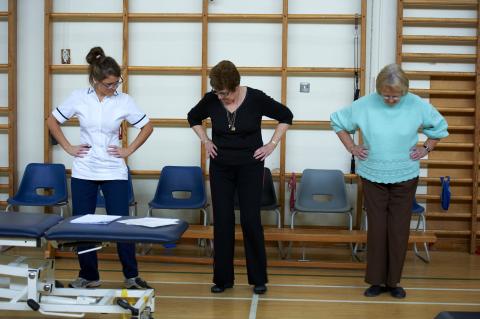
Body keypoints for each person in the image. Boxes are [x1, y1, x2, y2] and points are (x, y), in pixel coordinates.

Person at [330, 63, 448, 299]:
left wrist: (425, 148)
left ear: (404, 91)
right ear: (378, 90)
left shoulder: (416, 104)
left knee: (398, 229)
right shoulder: (364, 104)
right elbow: (337, 122)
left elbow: (440, 127)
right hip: (373, 174)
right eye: (386, 95)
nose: (392, 100)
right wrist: (352, 147)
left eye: (396, 96)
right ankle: (375, 281)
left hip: (405, 174)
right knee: (377, 228)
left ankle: (393, 281)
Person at [46, 46, 153, 289]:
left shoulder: (124, 101)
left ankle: (131, 276)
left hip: (114, 171)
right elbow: (52, 120)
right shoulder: (78, 97)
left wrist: (128, 150)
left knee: (122, 225)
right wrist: (68, 147)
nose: (114, 88)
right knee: (84, 224)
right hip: (85, 170)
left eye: (117, 83)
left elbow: (147, 127)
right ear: (95, 80)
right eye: (109, 84)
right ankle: (89, 275)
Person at [187, 60, 293, 294]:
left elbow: (286, 116)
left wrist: (271, 145)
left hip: (250, 167)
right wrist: (205, 140)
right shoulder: (211, 99)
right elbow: (193, 117)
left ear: (235, 86)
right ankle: (222, 280)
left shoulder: (255, 98)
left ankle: (258, 279)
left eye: (224, 93)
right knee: (223, 221)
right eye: (217, 92)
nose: (221, 97)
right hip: (221, 167)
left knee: (250, 220)